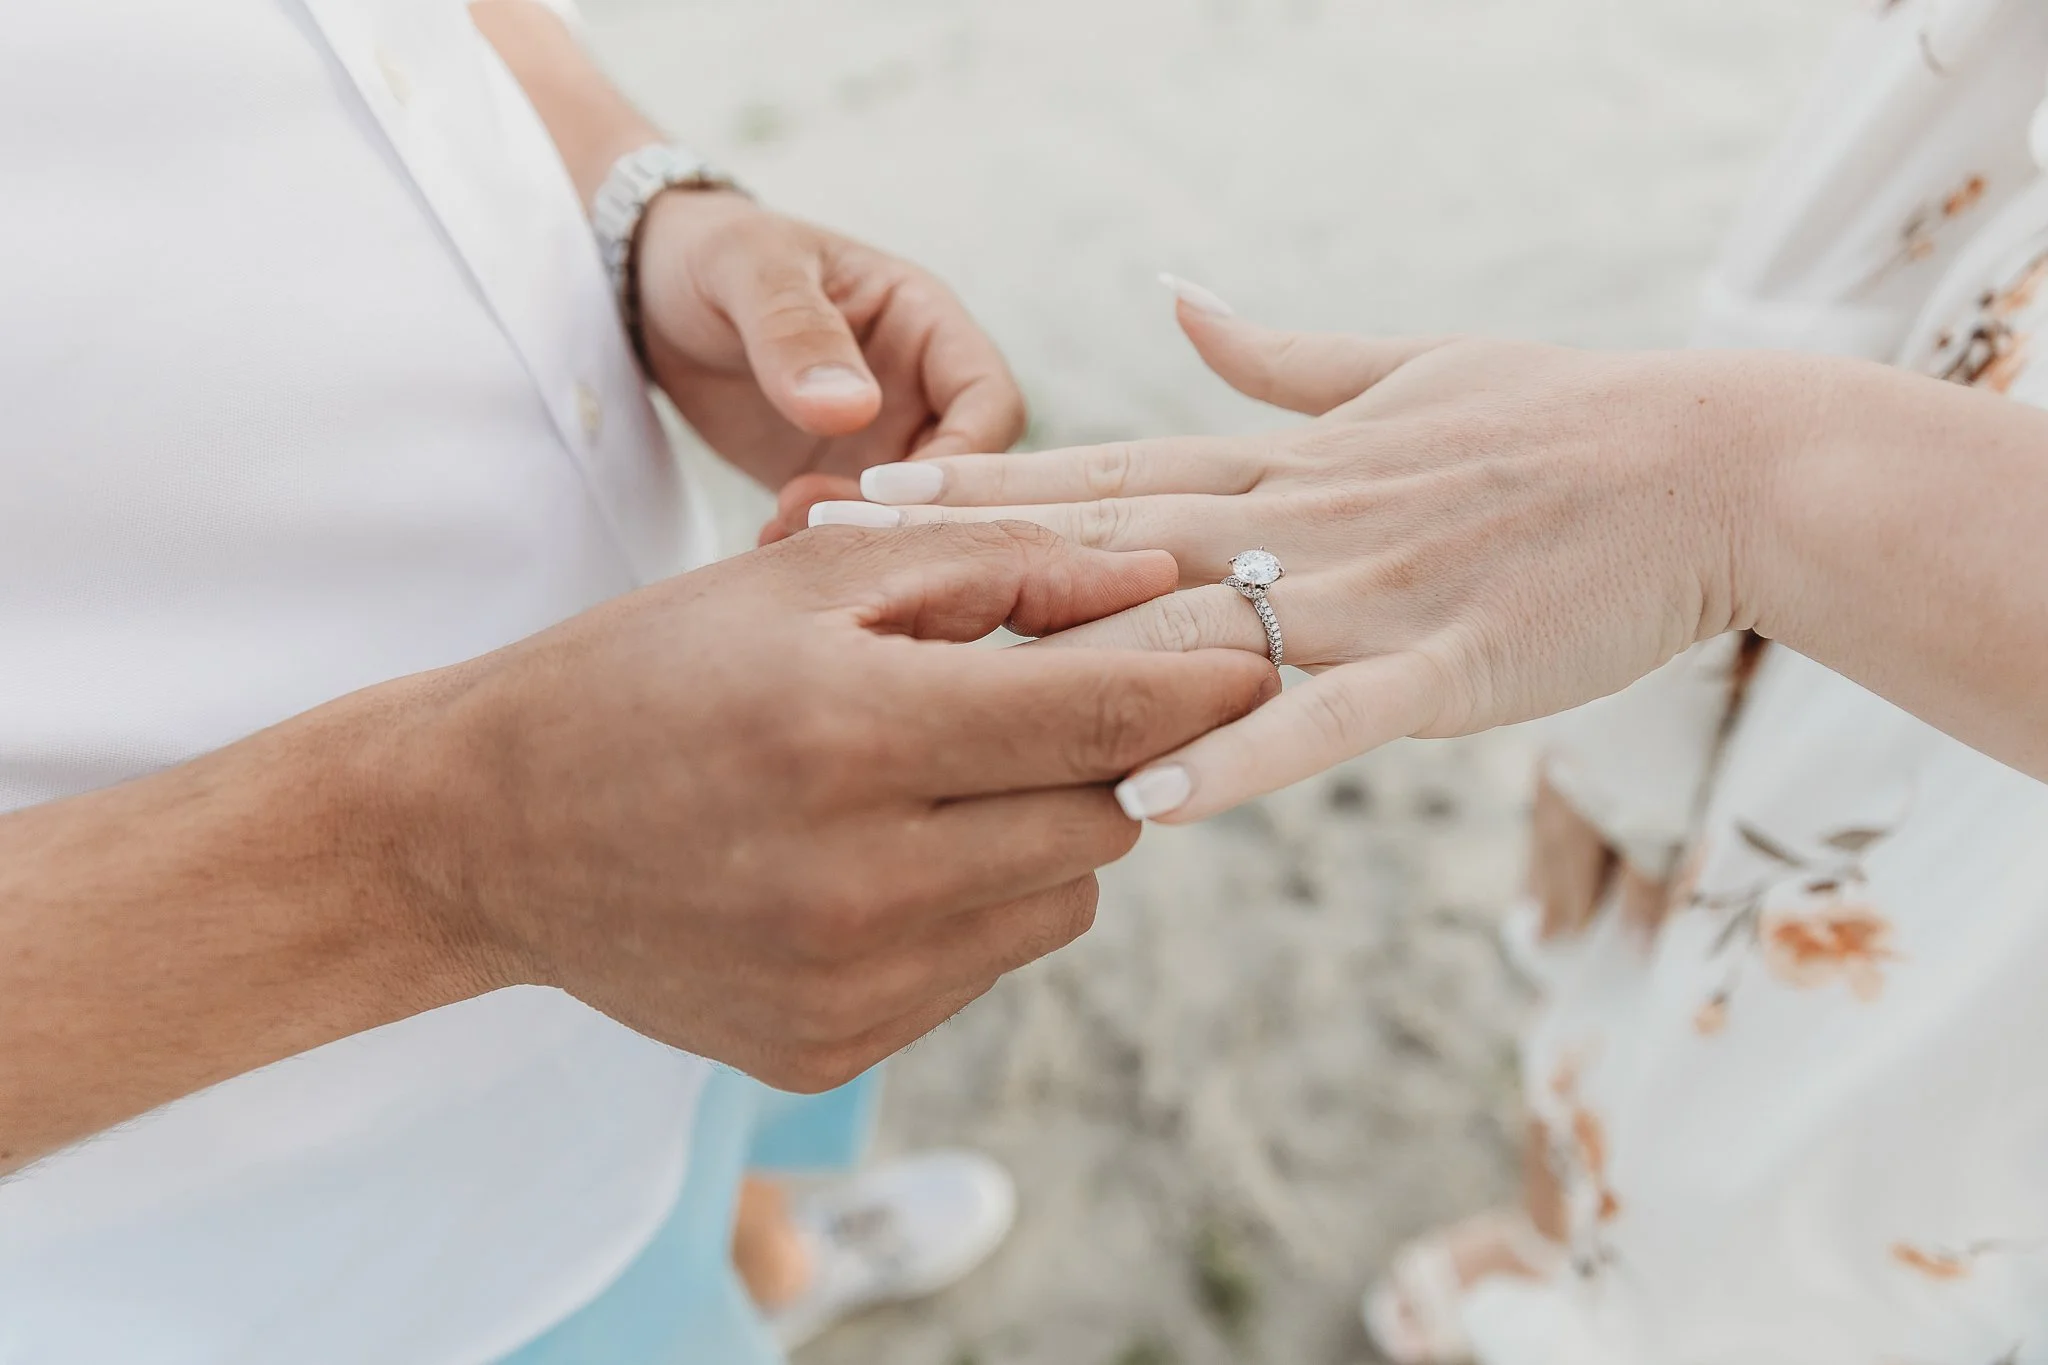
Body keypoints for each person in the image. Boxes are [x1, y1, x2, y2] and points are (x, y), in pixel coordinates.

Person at [0, 2, 1277, 1361]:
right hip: (282, 1237)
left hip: (701, 760)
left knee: (724, 1119)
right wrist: (452, 851)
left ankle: (764, 1255)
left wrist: (645, 213)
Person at [811, 1, 2048, 1359]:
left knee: (1863, 1197)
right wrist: (1671, 672)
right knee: (1694, 1040)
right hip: (1895, 504)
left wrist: (1743, 493)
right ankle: (1584, 1271)